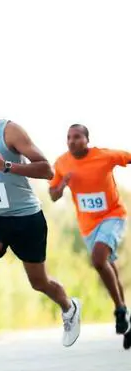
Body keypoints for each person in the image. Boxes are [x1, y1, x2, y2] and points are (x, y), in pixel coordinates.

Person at [0, 80, 81, 368]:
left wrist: (7, 166)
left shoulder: (9, 131)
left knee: (39, 282)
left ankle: (69, 306)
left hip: (26, 217)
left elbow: (48, 169)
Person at [49, 124, 131, 349]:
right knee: (108, 266)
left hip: (113, 216)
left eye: (77, 137)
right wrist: (61, 186)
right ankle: (124, 311)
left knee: (98, 259)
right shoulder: (62, 163)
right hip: (88, 226)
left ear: (87, 139)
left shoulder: (104, 156)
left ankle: (120, 310)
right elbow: (53, 195)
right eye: (68, 138)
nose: (72, 141)